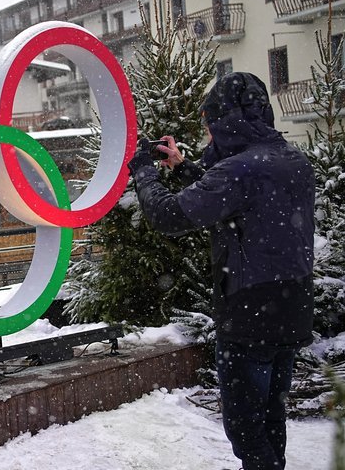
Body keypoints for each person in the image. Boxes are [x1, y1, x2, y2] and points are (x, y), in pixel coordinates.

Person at [126, 72, 315, 470]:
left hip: (250, 313)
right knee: (271, 416)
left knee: (246, 429)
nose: (209, 135)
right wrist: (183, 167)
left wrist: (143, 171)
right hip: (292, 306)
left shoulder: (238, 171)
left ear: (228, 122)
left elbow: (169, 215)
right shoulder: (292, 160)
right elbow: (242, 201)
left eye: (211, 125)